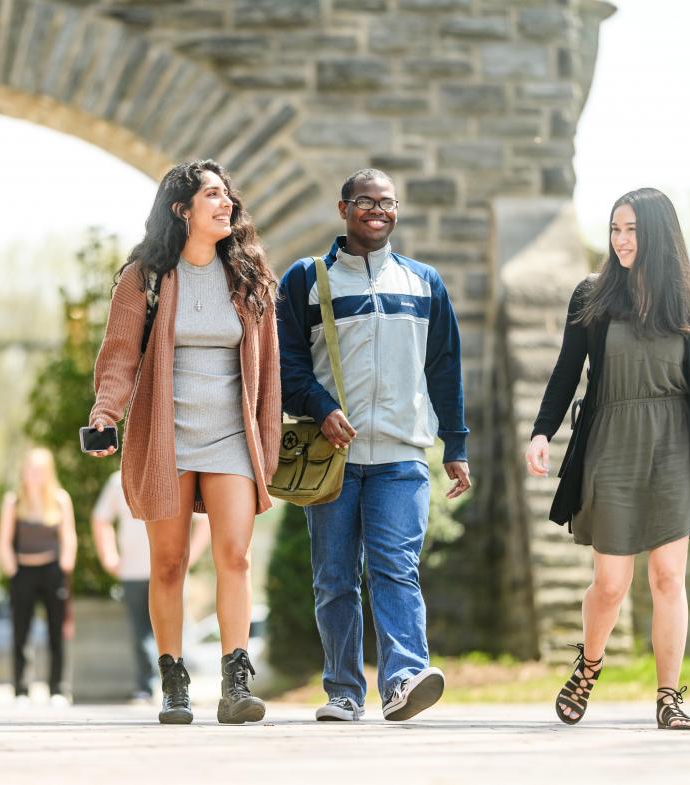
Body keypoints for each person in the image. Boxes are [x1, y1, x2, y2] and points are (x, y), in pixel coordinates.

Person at [526, 187, 690, 731]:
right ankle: (589, 666)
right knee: (611, 583)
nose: (621, 241)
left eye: (631, 230)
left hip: (675, 445)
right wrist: (541, 432)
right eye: (615, 230)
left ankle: (668, 697)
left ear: (658, 234)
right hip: (612, 444)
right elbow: (566, 371)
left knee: (669, 577)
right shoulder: (592, 295)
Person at [87, 159, 281, 725]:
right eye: (213, 196)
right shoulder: (144, 277)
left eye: (227, 196)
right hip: (167, 437)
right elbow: (120, 356)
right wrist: (106, 415)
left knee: (235, 556)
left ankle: (235, 680)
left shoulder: (247, 277)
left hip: (229, 437)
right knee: (168, 564)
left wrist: (271, 431)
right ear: (183, 210)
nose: (228, 204)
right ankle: (173, 680)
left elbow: (268, 366)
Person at [277, 168, 471, 722]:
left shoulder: (424, 283)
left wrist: (454, 446)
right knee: (334, 578)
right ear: (343, 210)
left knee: (395, 568)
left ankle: (404, 678)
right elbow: (285, 363)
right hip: (329, 459)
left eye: (387, 202)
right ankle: (342, 690)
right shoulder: (306, 279)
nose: (377, 210)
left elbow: (445, 370)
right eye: (365, 201)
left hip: (402, 456)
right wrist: (321, 406)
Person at [91, 469, 211, 703]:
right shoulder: (119, 480)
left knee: (179, 628)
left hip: (173, 572)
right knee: (141, 634)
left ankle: (181, 689)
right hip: (133, 572)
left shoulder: (175, 476)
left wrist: (191, 556)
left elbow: (203, 521)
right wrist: (109, 556)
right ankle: (145, 688)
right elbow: (101, 518)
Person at [0, 447, 76, 707]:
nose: (34, 474)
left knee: (56, 632)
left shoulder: (60, 500)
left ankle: (59, 689)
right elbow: (4, 540)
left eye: (39, 469)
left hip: (52, 571)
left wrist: (65, 566)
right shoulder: (13, 502)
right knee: (21, 633)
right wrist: (12, 569)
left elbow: (68, 538)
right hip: (23, 573)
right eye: (30, 468)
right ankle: (21, 689)